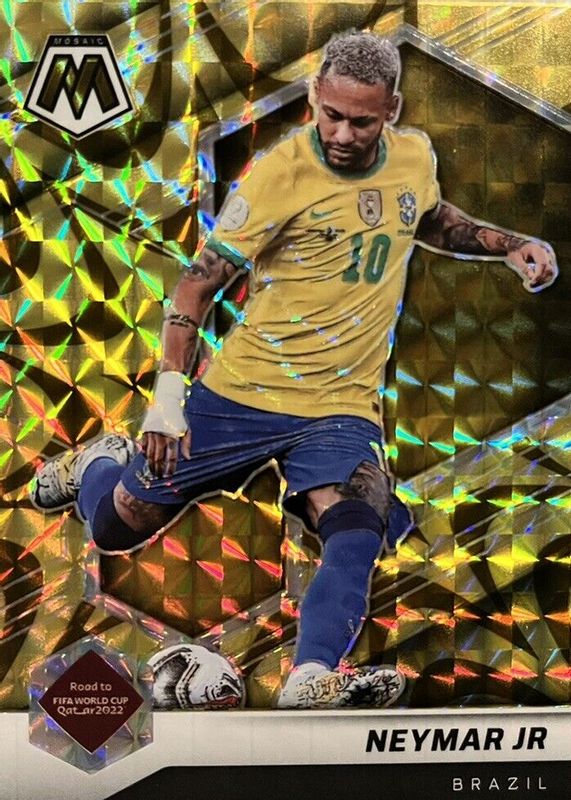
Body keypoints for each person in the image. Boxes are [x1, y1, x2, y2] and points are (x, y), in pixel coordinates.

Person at [31, 31, 557, 709]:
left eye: (361, 121)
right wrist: (166, 400)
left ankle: (311, 677)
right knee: (116, 526)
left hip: (342, 404)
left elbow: (426, 217)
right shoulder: (280, 175)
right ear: (314, 97)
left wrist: (509, 244)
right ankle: (101, 462)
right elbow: (196, 287)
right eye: (330, 114)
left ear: (391, 110)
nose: (341, 134)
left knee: (358, 520)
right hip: (242, 393)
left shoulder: (413, 157)